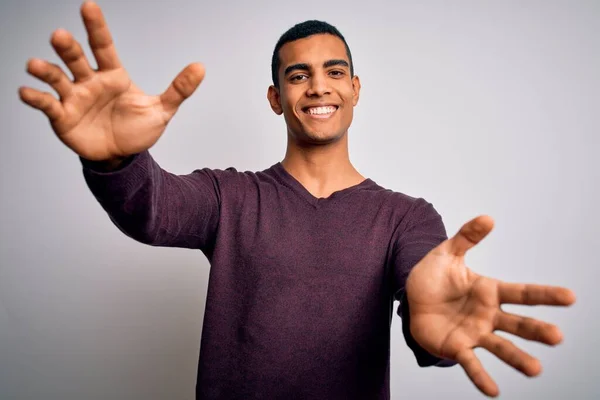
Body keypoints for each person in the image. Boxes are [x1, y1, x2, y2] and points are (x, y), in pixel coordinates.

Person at [19, 2, 576, 399]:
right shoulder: (230, 196)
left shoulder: (407, 217)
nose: (318, 87)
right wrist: (116, 160)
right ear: (275, 98)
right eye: (298, 75)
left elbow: (426, 292)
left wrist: (429, 328)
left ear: (355, 89)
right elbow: (154, 208)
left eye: (335, 72)